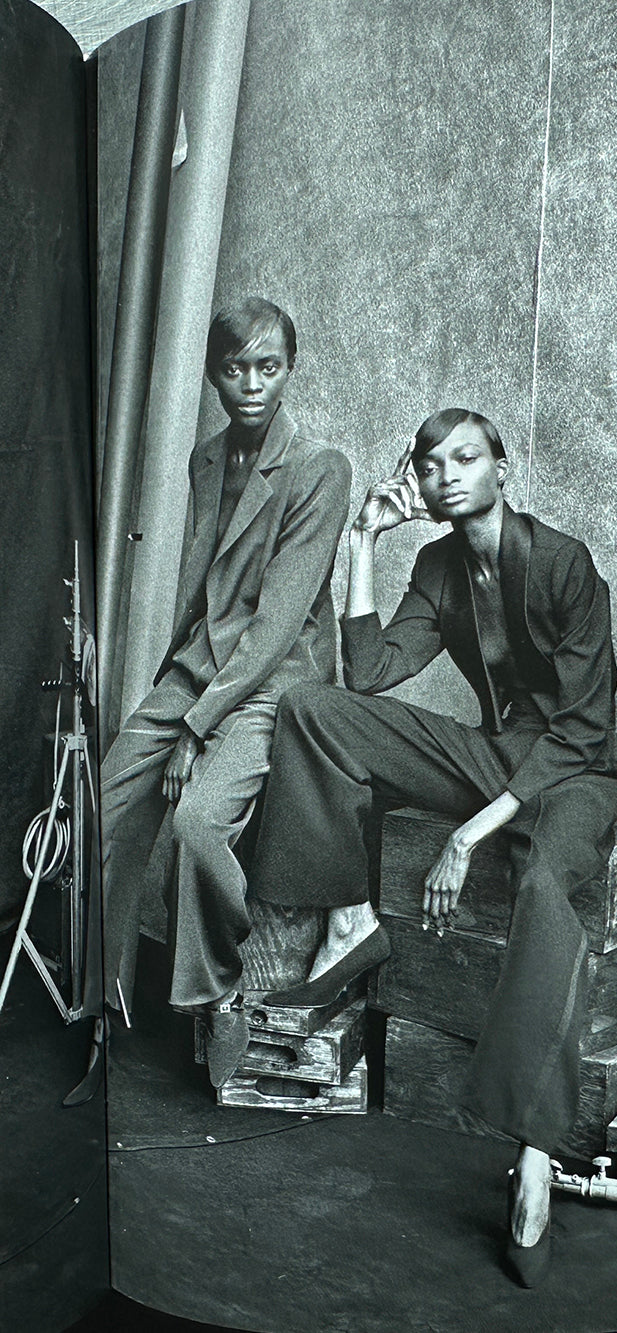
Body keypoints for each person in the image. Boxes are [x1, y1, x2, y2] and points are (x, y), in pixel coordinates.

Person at [247, 408, 617, 1285]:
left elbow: (583, 729)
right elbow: (369, 673)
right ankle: (351, 917)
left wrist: (470, 831)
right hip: (499, 756)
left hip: (577, 771)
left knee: (542, 885)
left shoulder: (565, 562)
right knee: (314, 711)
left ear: (504, 467)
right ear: (416, 481)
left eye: (466, 458)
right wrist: (361, 542)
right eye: (431, 464)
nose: (447, 474)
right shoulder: (437, 566)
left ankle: (534, 1155)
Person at [99, 297, 351, 1088]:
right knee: (105, 802)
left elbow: (275, 625)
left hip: (275, 678)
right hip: (199, 665)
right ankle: (99, 997)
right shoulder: (207, 458)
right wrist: (175, 694)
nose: (252, 384)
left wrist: (196, 727)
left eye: (268, 367)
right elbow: (206, 591)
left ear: (290, 370)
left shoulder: (320, 468)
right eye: (236, 368)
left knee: (198, 823)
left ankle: (219, 990)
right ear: (213, 374)